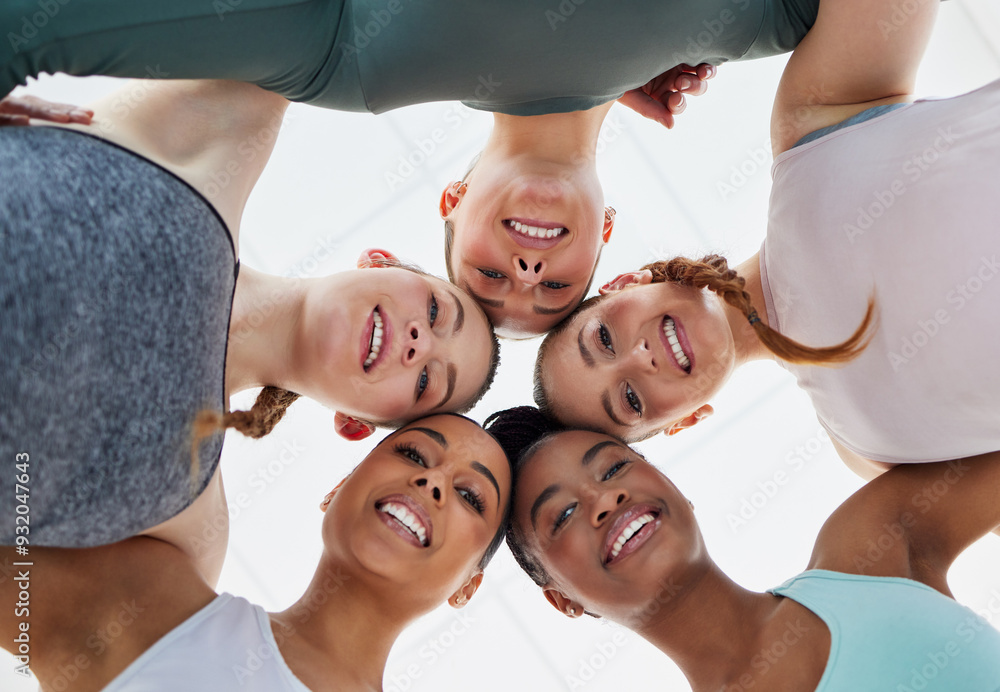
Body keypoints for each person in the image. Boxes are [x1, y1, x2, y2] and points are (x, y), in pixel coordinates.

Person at [0, 0, 824, 334]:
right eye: (553, 287)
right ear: (606, 233)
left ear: (455, 199)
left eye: (492, 280)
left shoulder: (355, 67)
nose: (527, 268)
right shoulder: (760, 23)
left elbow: (31, 27)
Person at [0, 79, 499, 554]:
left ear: (355, 425)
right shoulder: (224, 132)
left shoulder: (181, 518)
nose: (419, 343)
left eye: (426, 382)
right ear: (380, 260)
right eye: (435, 311)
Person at [534, 0, 1000, 471]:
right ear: (686, 422)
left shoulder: (812, 132)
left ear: (625, 282)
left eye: (605, 340)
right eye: (631, 400)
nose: (640, 358)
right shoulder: (874, 453)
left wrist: (660, 30)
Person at [487, 406, 1000, 692]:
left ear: (674, 487)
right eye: (564, 515)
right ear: (562, 600)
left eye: (615, 468)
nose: (604, 498)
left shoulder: (872, 543)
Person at [0, 413, 513, 691]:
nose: (431, 481)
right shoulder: (157, 598)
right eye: (412, 453)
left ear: (468, 586)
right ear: (337, 489)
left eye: (471, 496)